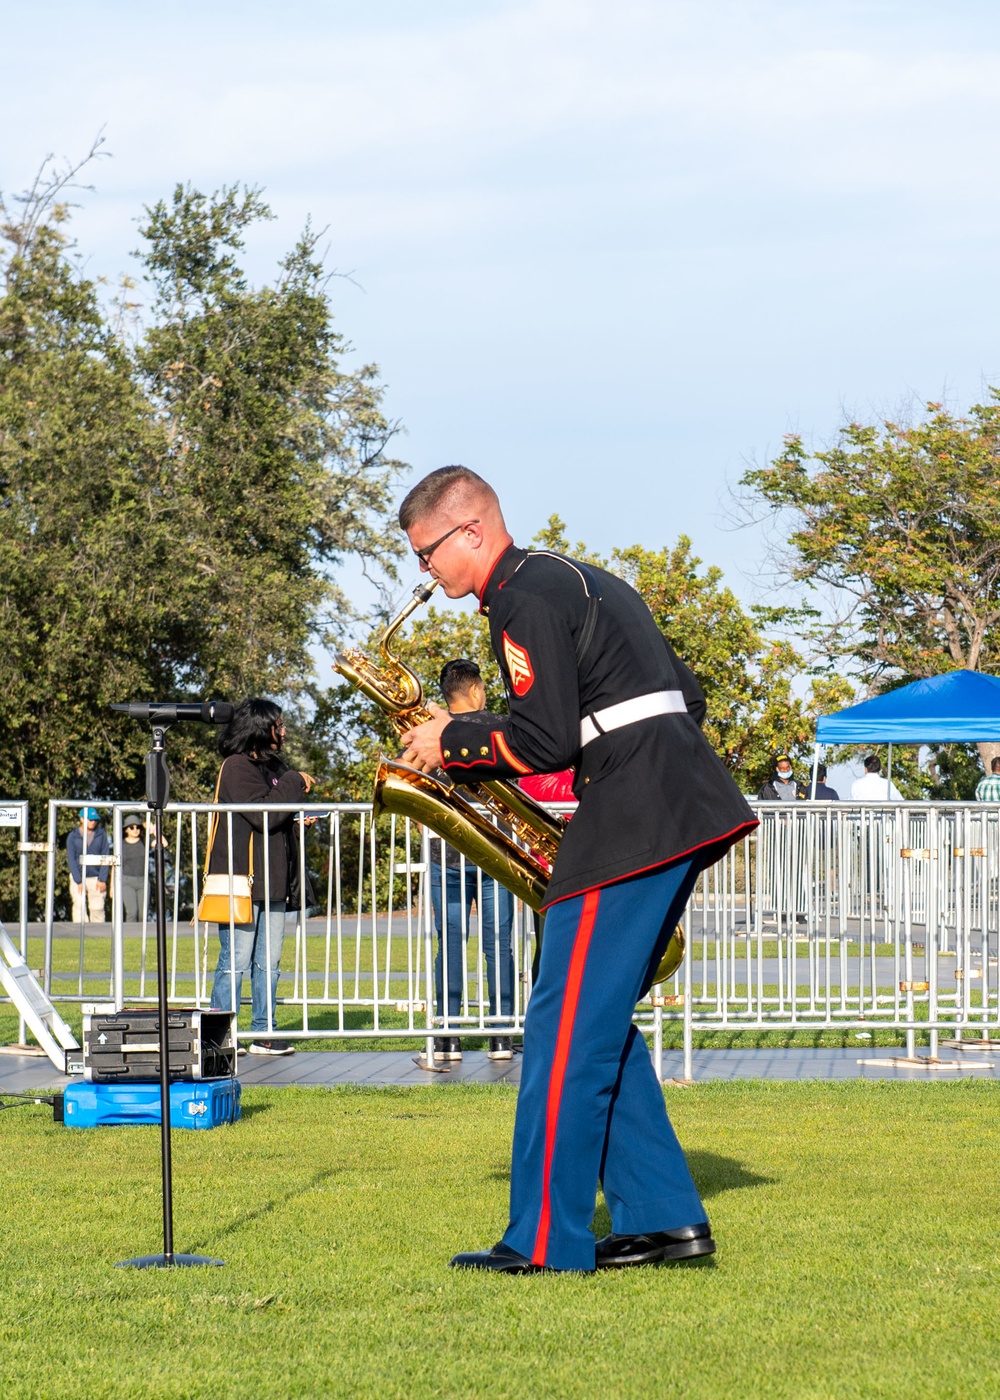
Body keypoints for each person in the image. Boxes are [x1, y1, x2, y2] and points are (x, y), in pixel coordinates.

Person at [398, 466, 757, 1274]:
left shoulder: (518, 597)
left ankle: (544, 1243)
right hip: (675, 801)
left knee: (560, 1034)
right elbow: (684, 697)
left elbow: (543, 741)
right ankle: (665, 1221)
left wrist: (448, 743)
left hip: (633, 818)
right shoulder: (581, 578)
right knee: (593, 1027)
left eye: (427, 553)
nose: (425, 572)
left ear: (473, 532)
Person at [208, 699, 315, 1056]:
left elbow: (277, 813)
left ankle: (264, 1031)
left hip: (273, 879)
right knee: (234, 960)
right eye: (278, 725)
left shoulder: (272, 766)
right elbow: (262, 814)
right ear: (259, 728)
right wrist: (294, 780)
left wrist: (298, 817)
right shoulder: (236, 766)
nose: (283, 731)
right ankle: (220, 1034)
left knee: (269, 963)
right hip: (242, 880)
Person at [428, 659, 515, 1064]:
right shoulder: (502, 725)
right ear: (477, 690)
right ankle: (501, 1035)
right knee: (499, 946)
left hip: (444, 852)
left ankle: (448, 1036)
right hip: (495, 854)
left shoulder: (435, 731)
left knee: (450, 946)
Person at [66, 807, 111, 923]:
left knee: (97, 908)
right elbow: (71, 859)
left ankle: (97, 936)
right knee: (79, 907)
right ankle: (78, 936)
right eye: (90, 819)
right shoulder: (73, 836)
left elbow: (105, 857)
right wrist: (79, 880)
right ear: (81, 819)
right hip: (78, 878)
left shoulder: (101, 835)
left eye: (94, 819)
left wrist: (102, 879)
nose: (93, 822)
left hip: (96, 878)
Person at [119, 811, 150, 922]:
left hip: (143, 881)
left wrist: (153, 829)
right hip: (127, 881)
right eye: (132, 827)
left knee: (143, 915)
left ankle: (143, 938)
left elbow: (164, 843)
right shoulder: (121, 844)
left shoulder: (145, 841)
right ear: (126, 829)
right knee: (132, 913)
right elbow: (116, 865)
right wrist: (113, 887)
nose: (135, 829)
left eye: (138, 827)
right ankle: (130, 937)